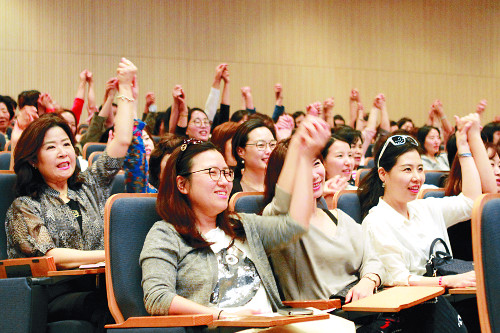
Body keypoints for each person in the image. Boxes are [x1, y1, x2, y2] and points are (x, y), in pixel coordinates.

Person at [139, 117, 333, 321]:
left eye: (226, 173)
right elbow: (157, 297)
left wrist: (305, 157)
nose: (224, 182)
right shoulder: (166, 234)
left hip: (272, 324)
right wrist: (223, 315)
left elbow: (294, 226)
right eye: (212, 173)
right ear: (182, 184)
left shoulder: (241, 224)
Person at [5, 58, 137, 332]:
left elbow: (122, 140)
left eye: (66, 144)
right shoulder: (25, 206)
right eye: (51, 147)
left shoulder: (89, 187)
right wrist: (109, 254)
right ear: (33, 159)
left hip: (101, 285)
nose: (63, 152)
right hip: (54, 294)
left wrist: (125, 89)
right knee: (105, 306)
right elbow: (51, 255)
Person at [358, 114, 487, 332]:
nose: (417, 177)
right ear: (383, 174)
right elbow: (398, 279)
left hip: (444, 301)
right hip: (412, 313)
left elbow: (471, 202)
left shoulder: (425, 207)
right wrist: (447, 282)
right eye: (407, 169)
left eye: (419, 168)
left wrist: (464, 149)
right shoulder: (377, 220)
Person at [262, 131, 384, 304]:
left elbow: (373, 259)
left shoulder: (336, 216)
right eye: (302, 169)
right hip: (317, 319)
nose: (313, 174)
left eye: (316, 164)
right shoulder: (278, 221)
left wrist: (368, 281)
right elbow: (280, 204)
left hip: (359, 310)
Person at [230, 118, 277, 195]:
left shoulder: (281, 187)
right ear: (241, 151)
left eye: (272, 145)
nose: (269, 151)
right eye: (261, 145)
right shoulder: (230, 190)